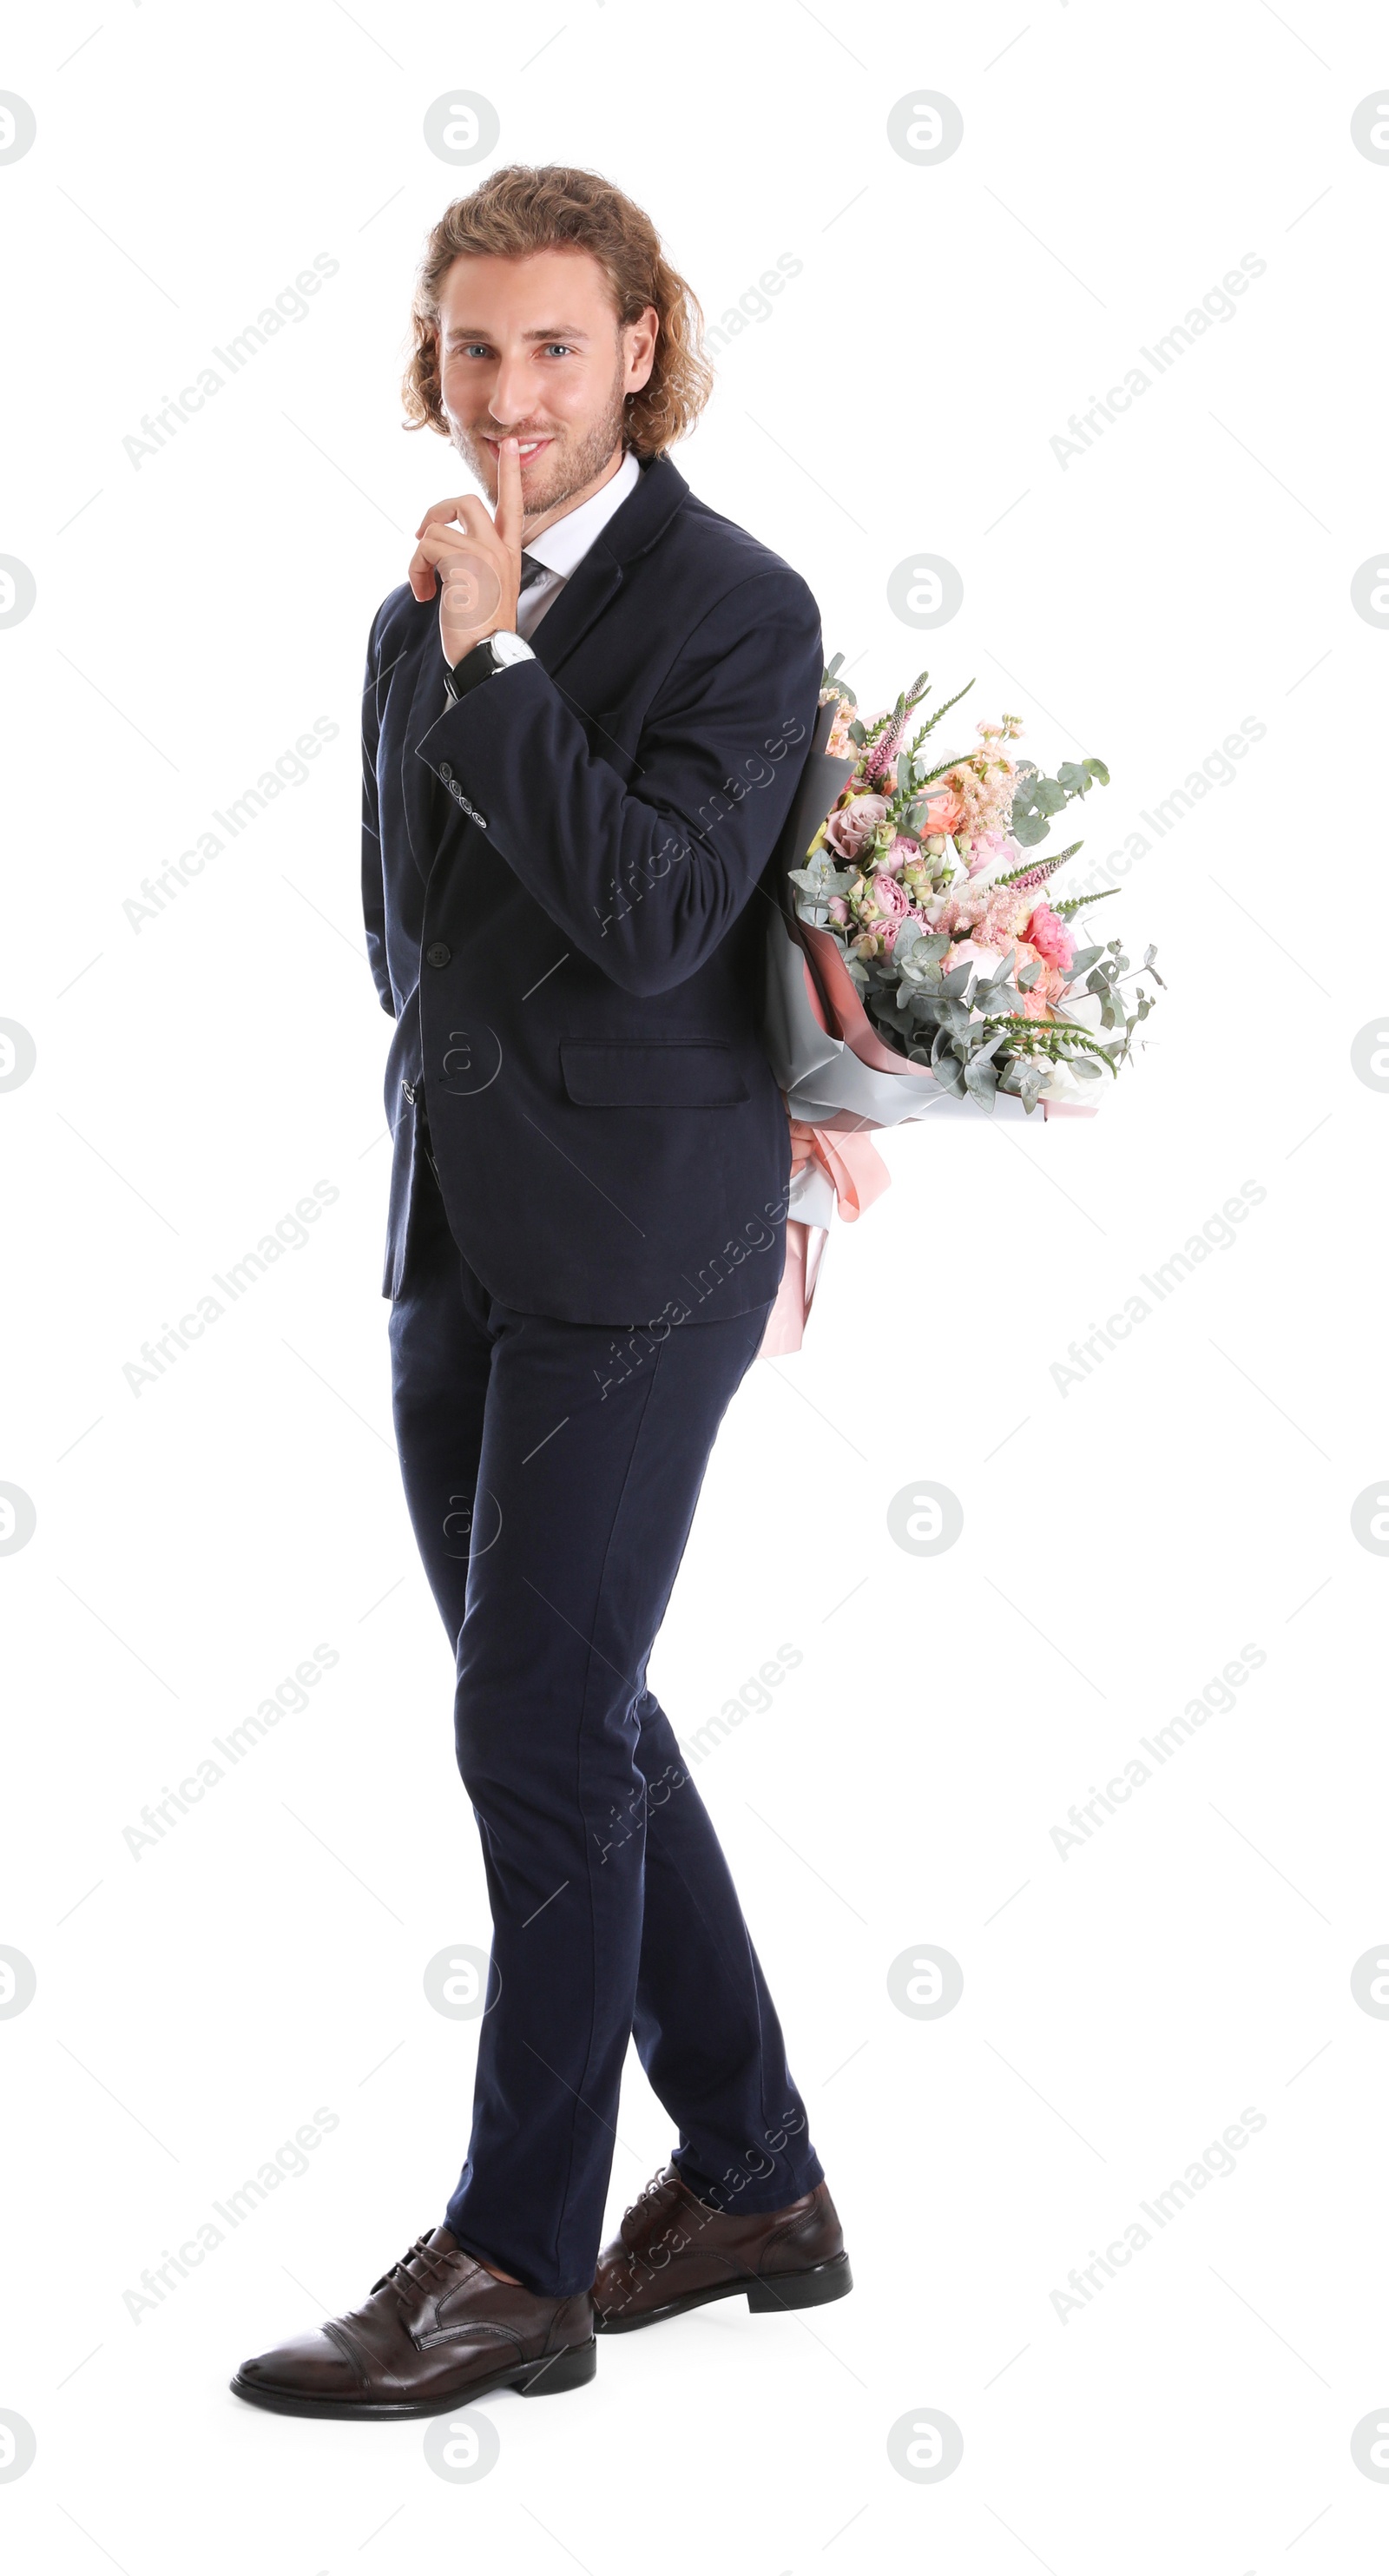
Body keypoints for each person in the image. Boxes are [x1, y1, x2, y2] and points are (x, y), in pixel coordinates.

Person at [232, 162, 850, 2423]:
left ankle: (517, 2262)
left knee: (530, 1726)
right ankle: (761, 2177)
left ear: (642, 354)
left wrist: (501, 651)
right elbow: (412, 941)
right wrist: (462, 642)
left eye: (556, 349)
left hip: (643, 1249)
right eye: (475, 349)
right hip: (454, 1233)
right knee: (573, 1716)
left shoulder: (731, 608)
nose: (509, 393)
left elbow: (657, 913)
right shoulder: (411, 620)